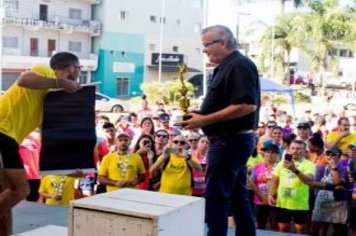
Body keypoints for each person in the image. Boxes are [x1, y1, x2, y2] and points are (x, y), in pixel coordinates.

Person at [181, 25, 260, 236]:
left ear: (222, 43)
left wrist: (204, 119)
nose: (205, 50)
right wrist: (201, 114)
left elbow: (246, 105)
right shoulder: (229, 65)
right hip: (230, 140)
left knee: (216, 197)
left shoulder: (239, 65)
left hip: (229, 141)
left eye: (206, 45)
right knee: (237, 195)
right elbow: (230, 104)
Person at [0, 52, 82, 235]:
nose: (79, 73)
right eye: (79, 69)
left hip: (8, 139)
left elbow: (48, 141)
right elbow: (23, 80)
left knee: (6, 199)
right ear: (70, 67)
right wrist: (60, 82)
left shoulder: (48, 99)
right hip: (2, 134)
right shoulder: (47, 71)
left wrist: (68, 169)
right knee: (20, 190)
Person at [268, 140, 316, 234]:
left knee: (300, 229)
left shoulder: (309, 164)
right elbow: (274, 181)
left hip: (300, 204)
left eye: (298, 149)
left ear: (304, 151)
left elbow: (309, 181)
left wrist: (295, 170)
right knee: (283, 228)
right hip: (283, 203)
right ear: (289, 150)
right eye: (292, 148)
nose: (295, 151)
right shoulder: (281, 163)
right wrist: (270, 194)